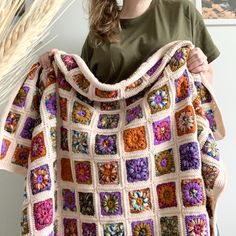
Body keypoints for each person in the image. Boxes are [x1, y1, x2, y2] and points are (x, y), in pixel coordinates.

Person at [39, 0, 221, 234]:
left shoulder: (181, 11)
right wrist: (56, 66)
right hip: (111, 168)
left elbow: (205, 83)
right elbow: (83, 96)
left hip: (170, 158)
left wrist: (202, 67)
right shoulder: (100, 28)